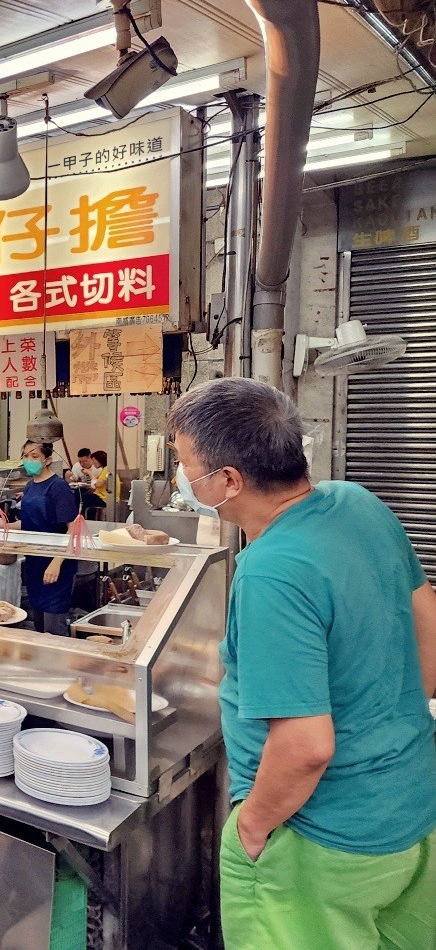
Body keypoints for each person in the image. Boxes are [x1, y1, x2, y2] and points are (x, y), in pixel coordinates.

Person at [167, 378, 436, 950]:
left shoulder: (271, 570)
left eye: (186, 466)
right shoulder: (357, 503)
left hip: (319, 842)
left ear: (228, 481)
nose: (183, 481)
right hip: (411, 810)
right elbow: (428, 625)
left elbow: (307, 745)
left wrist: (254, 827)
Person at [13, 440, 78, 635]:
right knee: (38, 625)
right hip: (34, 563)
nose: (28, 461)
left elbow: (75, 530)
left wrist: (56, 563)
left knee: (53, 626)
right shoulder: (30, 486)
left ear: (48, 459)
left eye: (34, 457)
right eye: (25, 456)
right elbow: (29, 522)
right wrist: (1, 525)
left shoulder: (58, 487)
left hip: (57, 566)